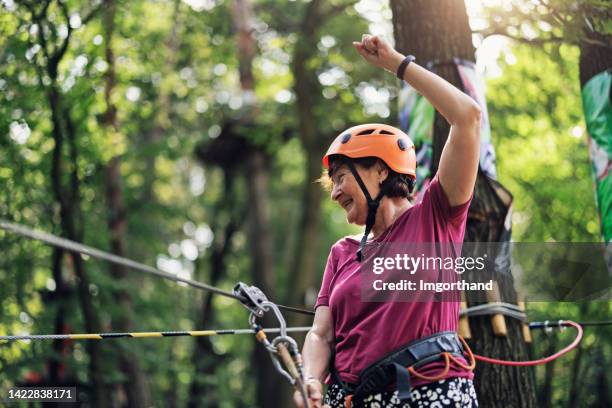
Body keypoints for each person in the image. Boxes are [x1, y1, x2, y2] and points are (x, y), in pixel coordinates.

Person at [293, 34, 481, 408]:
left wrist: (397, 64)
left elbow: (467, 116)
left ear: (379, 171)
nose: (335, 193)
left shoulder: (436, 217)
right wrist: (310, 379)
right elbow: (321, 335)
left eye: (342, 178)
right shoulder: (342, 252)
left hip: (430, 393)